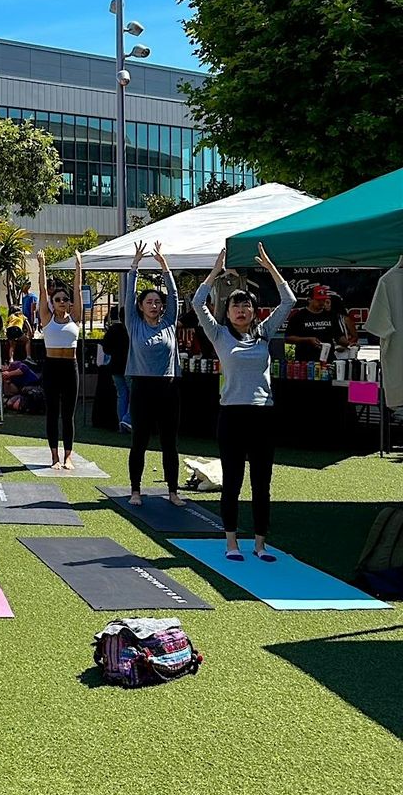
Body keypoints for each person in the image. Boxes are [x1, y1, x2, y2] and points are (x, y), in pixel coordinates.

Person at [193, 244, 296, 559]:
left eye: (246, 306)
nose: (241, 310)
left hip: (263, 416)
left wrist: (270, 268)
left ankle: (260, 543)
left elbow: (289, 300)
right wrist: (214, 272)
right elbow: (198, 303)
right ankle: (232, 542)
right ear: (228, 312)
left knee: (262, 483)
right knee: (233, 481)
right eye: (236, 305)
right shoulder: (220, 335)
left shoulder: (264, 334)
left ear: (254, 312)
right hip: (232, 416)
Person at [125, 239, 183, 506]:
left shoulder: (169, 322)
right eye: (149, 301)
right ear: (141, 306)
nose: (154, 305)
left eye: (158, 302)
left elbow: (175, 297)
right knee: (140, 440)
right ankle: (135, 490)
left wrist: (164, 266)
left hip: (168, 387)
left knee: (169, 442)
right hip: (142, 388)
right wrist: (135, 266)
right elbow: (128, 296)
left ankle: (173, 491)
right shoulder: (134, 324)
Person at [35, 250, 83, 469]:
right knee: (53, 412)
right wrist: (42, 265)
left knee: (68, 414)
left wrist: (78, 266)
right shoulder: (47, 317)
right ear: (53, 303)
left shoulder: (75, 317)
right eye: (58, 299)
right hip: (52, 367)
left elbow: (79, 290)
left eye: (65, 299)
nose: (62, 301)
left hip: (70, 367)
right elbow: (43, 290)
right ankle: (54, 456)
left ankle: (68, 456)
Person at [285, 281, 352, 358]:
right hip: (305, 359)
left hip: (328, 357)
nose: (321, 303)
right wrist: (307, 340)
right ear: (310, 300)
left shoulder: (331, 315)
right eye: (318, 300)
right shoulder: (299, 316)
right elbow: (288, 338)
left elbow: (338, 336)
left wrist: (349, 344)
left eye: (323, 300)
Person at [101, 306, 131, 431]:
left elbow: (106, 348)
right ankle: (127, 419)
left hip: (115, 366)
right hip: (130, 366)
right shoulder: (133, 330)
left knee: (122, 394)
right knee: (133, 394)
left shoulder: (114, 329)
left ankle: (122, 423)